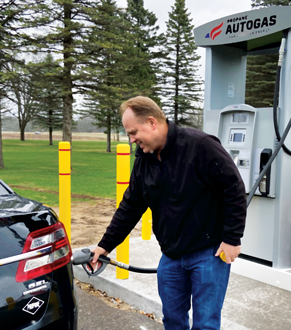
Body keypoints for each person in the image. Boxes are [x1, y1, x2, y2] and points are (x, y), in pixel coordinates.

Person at [91, 96, 246, 330]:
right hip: (171, 257)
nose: (132, 140)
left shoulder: (200, 146)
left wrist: (232, 239)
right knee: (173, 321)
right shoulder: (144, 160)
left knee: (205, 325)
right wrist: (105, 245)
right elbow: (130, 206)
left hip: (209, 254)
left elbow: (233, 189)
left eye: (133, 132)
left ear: (152, 123)